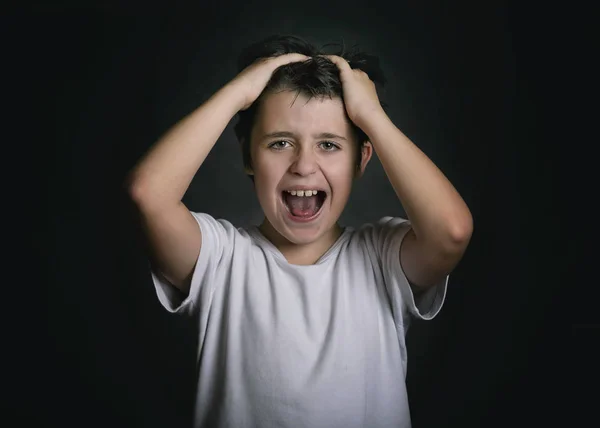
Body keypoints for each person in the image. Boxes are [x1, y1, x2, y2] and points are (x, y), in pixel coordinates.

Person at [126, 34, 473, 428]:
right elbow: (148, 194)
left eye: (328, 144)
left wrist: (372, 117)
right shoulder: (220, 259)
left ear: (362, 160)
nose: (303, 166)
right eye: (280, 143)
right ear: (247, 156)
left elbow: (452, 231)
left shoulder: (383, 259)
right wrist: (240, 92)